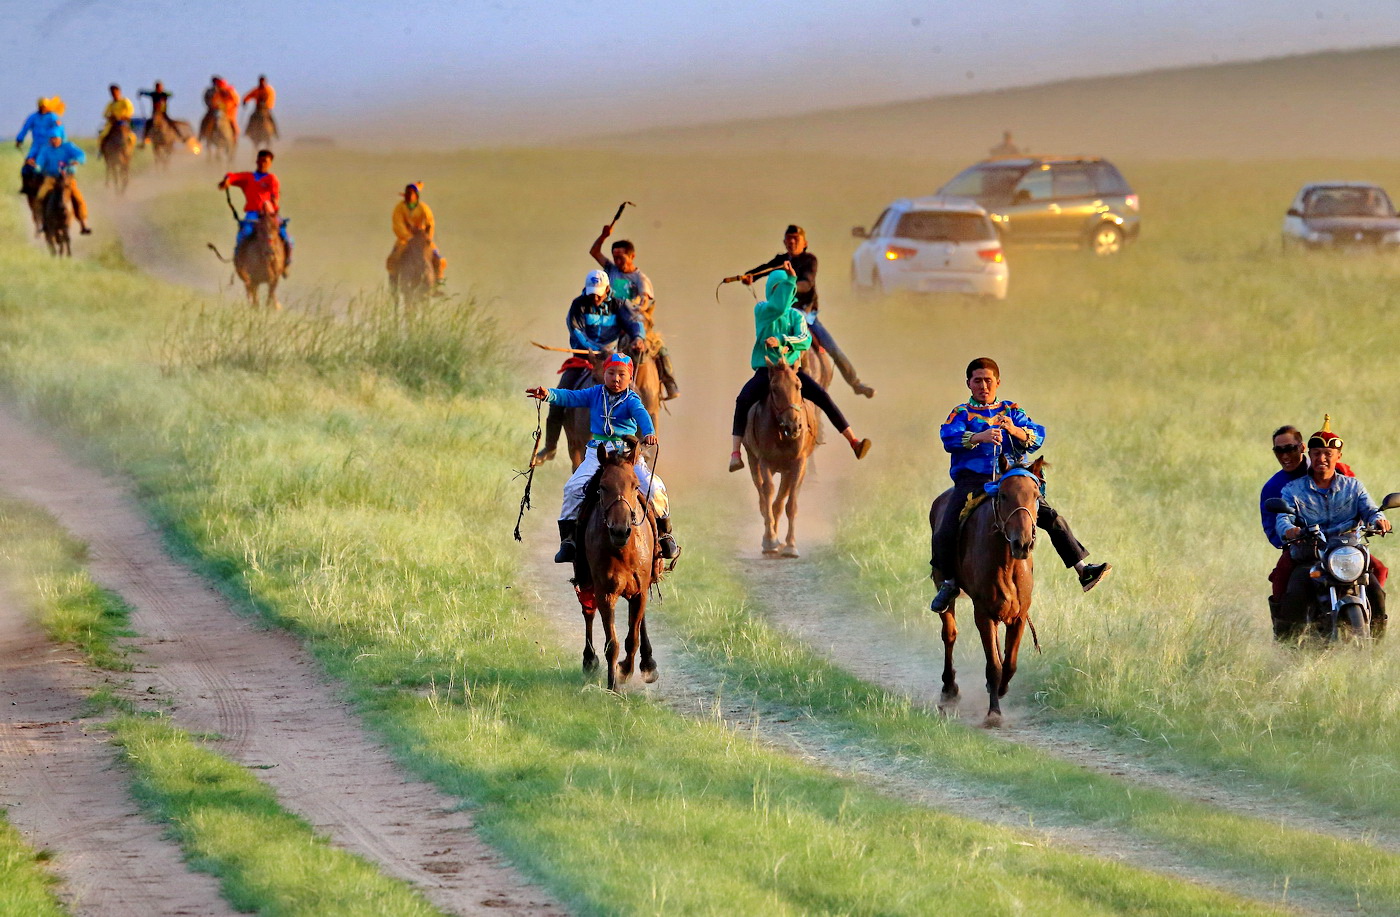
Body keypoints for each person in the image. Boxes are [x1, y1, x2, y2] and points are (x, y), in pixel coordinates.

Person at [929, 357, 1109, 612]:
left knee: (1051, 517)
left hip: (1012, 479)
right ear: (968, 383)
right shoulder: (961, 413)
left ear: (998, 383)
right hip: (973, 480)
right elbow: (949, 437)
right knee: (945, 528)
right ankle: (948, 583)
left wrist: (1015, 430)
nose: (983, 386)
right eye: (977, 380)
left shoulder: (1012, 409)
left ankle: (1083, 569)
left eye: (988, 381)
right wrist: (980, 436)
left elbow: (1036, 436)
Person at [526, 353, 679, 562]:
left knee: (654, 487)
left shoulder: (632, 399)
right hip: (597, 452)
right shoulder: (594, 393)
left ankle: (665, 535)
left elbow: (643, 414)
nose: (616, 378)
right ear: (603, 373)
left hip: (627, 454)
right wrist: (548, 394)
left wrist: (649, 432)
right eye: (611, 373)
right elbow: (570, 397)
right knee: (573, 487)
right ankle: (568, 541)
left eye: (621, 374)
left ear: (630, 377)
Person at [728, 264, 871, 472]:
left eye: (787, 289)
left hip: (793, 371)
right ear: (771, 290)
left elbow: (804, 340)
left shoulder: (796, 317)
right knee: (743, 400)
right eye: (778, 289)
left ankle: (854, 441)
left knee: (822, 396)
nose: (783, 294)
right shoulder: (762, 310)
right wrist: (791, 280)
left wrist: (783, 341)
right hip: (766, 371)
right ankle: (735, 453)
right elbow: (778, 306)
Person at [728, 225, 875, 399]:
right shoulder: (781, 260)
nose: (791, 242)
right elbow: (762, 270)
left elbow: (807, 283)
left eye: (795, 239)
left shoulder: (809, 261)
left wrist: (788, 286)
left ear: (804, 243)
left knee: (833, 349)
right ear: (784, 242)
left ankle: (855, 383)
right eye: (788, 238)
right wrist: (749, 276)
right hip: (783, 315)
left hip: (806, 315)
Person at [1275, 417, 1390, 637]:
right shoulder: (1293, 489)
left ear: (1338, 457)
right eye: (1317, 453)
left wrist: (1378, 520)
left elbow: (1370, 509)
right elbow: (1283, 518)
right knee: (1295, 591)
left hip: (1347, 555)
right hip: (1311, 555)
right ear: (1310, 456)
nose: (1322, 459)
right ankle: (1286, 643)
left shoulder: (1353, 486)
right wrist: (1290, 530)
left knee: (1376, 590)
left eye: (1328, 454)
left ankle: (1376, 643)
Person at [532, 270, 645, 466]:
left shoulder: (619, 303)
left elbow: (634, 323)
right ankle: (550, 447)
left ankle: (641, 445)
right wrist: (592, 349)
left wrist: (638, 338)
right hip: (583, 357)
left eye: (599, 293)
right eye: (592, 293)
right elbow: (577, 332)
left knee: (634, 393)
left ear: (608, 289)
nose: (595, 297)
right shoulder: (579, 305)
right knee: (559, 398)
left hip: (612, 360)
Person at [589, 224, 680, 400]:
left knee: (659, 348)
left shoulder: (640, 279)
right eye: (615, 257)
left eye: (621, 258)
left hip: (634, 323)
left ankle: (669, 382)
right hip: (611, 324)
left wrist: (637, 308)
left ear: (632, 256)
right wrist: (603, 236)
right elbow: (594, 252)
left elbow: (645, 301)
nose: (617, 262)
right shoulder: (611, 270)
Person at [218, 149, 293, 275]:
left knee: (287, 238)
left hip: (269, 214)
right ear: (256, 161)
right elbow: (232, 176)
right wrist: (227, 180)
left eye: (266, 161)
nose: (263, 163)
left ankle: (285, 264)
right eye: (261, 160)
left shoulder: (272, 179)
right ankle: (239, 263)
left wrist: (272, 203)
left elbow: (275, 197)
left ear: (270, 163)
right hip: (252, 214)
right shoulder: (248, 177)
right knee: (244, 234)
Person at [32, 131, 92, 235]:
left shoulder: (68, 146)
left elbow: (81, 155)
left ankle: (83, 224)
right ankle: (43, 223)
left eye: (56, 138)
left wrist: (77, 160)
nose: (54, 141)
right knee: (40, 197)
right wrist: (36, 167)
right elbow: (40, 164)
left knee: (78, 198)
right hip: (51, 179)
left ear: (61, 138)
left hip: (67, 179)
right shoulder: (45, 149)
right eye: (51, 138)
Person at [387, 183, 447, 283]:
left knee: (437, 257)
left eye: (412, 193)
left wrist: (427, 237)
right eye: (408, 193)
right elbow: (398, 224)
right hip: (405, 239)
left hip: (422, 238)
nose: (410, 196)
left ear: (416, 195)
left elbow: (430, 223)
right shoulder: (399, 208)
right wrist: (408, 237)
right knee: (394, 257)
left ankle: (438, 281)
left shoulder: (424, 208)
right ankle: (393, 281)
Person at [15, 98, 63, 192]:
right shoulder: (33, 117)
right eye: (41, 106)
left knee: (61, 166)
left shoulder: (52, 117)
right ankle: (26, 186)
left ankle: (65, 188)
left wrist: (59, 140)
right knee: (27, 166)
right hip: (36, 145)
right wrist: (19, 139)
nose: (43, 108)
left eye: (45, 106)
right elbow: (25, 128)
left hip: (50, 145)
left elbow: (59, 129)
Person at [98, 84, 136, 153]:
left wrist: (123, 117)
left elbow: (131, 111)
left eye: (115, 92)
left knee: (132, 137)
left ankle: (130, 152)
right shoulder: (111, 103)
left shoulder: (125, 101)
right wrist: (110, 117)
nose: (114, 94)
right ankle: (101, 151)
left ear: (119, 92)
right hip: (112, 123)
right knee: (102, 135)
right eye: (112, 93)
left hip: (123, 123)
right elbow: (104, 114)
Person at [204, 76, 240, 144]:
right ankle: (204, 135)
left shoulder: (230, 91)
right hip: (216, 111)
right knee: (207, 121)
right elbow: (211, 101)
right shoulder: (214, 92)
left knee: (233, 123)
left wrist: (227, 106)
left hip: (229, 112)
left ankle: (235, 137)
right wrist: (213, 106)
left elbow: (236, 101)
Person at [242, 74, 279, 139]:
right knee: (251, 117)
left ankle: (275, 132)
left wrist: (265, 103)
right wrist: (245, 100)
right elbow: (249, 95)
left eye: (263, 81)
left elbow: (270, 98)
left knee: (271, 118)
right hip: (257, 108)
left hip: (266, 108)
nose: (262, 83)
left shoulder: (269, 89)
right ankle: (247, 131)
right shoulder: (256, 90)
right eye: (260, 82)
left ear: (265, 82)